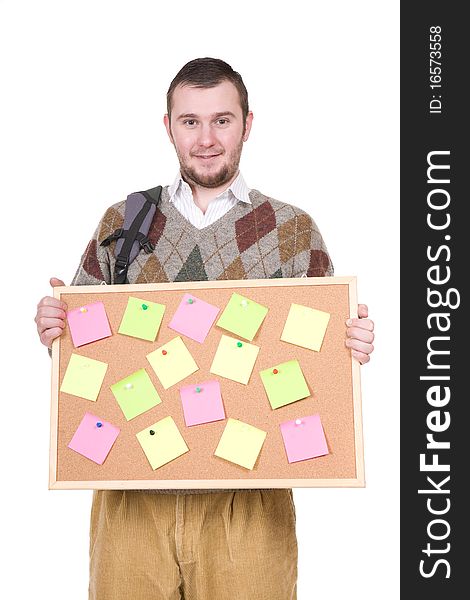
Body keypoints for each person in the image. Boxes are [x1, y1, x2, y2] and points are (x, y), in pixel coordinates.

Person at [35, 58, 375, 600]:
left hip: (249, 499)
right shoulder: (122, 223)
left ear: (248, 123)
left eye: (223, 120)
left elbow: (320, 356)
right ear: (167, 126)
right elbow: (84, 351)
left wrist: (351, 344)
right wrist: (53, 326)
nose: (207, 138)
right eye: (190, 121)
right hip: (132, 493)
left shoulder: (291, 230)